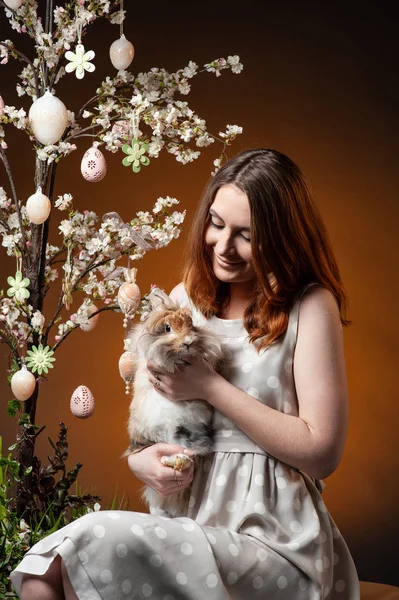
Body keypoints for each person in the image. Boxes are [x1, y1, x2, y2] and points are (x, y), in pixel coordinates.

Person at [12, 148, 360, 599]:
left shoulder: (310, 307)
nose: (222, 246)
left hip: (275, 545)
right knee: (43, 577)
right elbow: (153, 425)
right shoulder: (185, 301)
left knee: (88, 544)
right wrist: (142, 462)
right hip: (188, 527)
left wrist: (211, 388)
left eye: (246, 235)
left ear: (281, 238)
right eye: (216, 224)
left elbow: (322, 451)